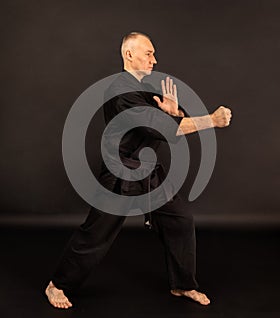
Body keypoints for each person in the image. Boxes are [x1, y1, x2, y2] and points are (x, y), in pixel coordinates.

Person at [45, 32, 232, 309]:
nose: (154, 60)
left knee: (179, 220)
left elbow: (161, 122)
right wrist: (212, 120)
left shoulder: (144, 89)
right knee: (97, 233)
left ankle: (182, 284)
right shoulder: (120, 91)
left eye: (154, 54)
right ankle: (57, 285)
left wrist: (173, 111)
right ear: (128, 55)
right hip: (119, 173)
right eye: (148, 53)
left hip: (147, 172)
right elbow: (165, 130)